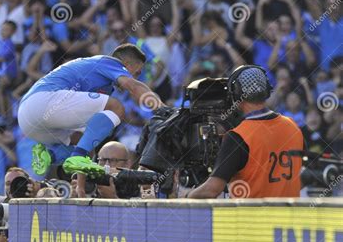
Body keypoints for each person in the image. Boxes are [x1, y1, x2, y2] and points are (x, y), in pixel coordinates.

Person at [18, 43, 163, 180]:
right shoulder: (109, 62)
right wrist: (161, 108)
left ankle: (49, 155)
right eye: (137, 72)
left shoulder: (101, 81)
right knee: (117, 108)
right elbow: (132, 85)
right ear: (126, 63)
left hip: (28, 120)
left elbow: (92, 132)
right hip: (44, 101)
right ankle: (77, 155)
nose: (136, 76)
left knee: (84, 140)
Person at [186, 65, 304, 198]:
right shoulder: (292, 126)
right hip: (293, 216)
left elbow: (212, 190)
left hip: (252, 218)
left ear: (236, 94)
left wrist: (186, 196)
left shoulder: (238, 136)